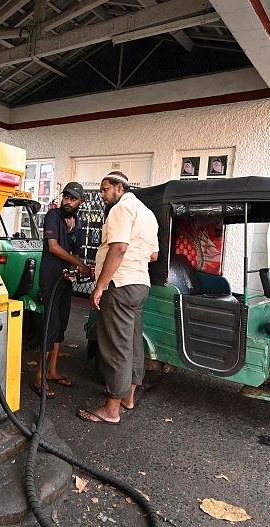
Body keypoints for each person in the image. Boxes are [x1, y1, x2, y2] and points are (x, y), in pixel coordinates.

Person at [78, 171, 158, 425]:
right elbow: (153, 256)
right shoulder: (148, 213)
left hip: (120, 285)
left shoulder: (121, 209)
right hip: (139, 284)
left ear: (119, 188)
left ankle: (111, 409)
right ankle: (128, 397)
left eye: (105, 190)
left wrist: (100, 285)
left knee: (115, 348)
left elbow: (120, 247)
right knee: (132, 343)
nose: (102, 195)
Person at [31, 182, 90, 399]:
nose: (68, 201)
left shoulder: (78, 223)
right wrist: (79, 264)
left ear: (80, 201)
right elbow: (53, 246)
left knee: (62, 325)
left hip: (65, 281)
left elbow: (76, 251)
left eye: (73, 198)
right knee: (51, 324)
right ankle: (39, 377)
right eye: (66, 197)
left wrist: (74, 269)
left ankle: (52, 371)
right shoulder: (52, 216)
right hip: (50, 279)